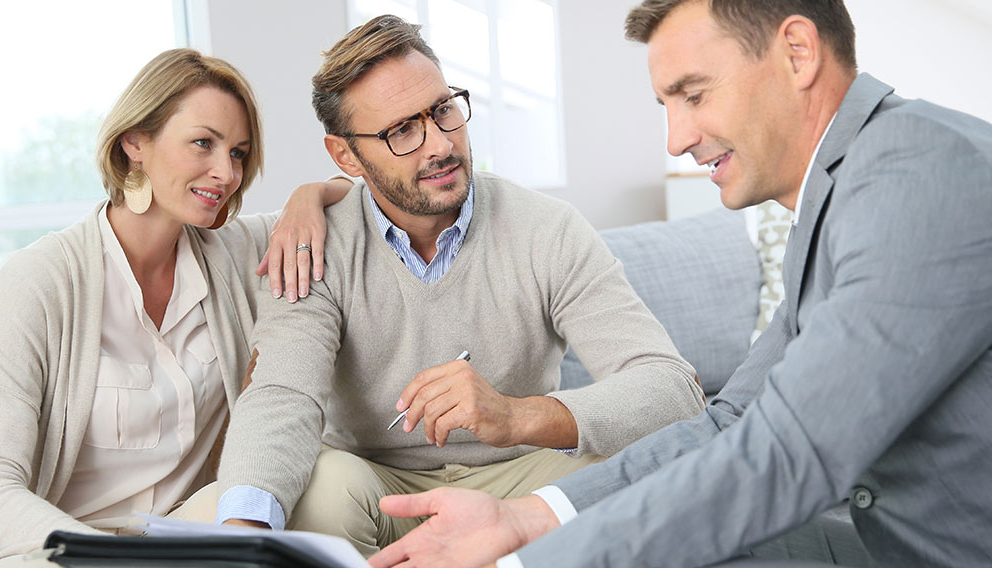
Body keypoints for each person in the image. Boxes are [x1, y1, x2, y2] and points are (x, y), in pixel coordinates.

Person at [368, 0, 992, 566]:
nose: (675, 138)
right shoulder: (841, 194)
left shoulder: (922, 176)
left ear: (797, 53)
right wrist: (525, 520)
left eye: (692, 95)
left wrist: (526, 567)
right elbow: (734, 420)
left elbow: (793, 451)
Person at [214, 14, 706, 556]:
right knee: (320, 489)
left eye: (444, 110)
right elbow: (284, 395)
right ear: (345, 156)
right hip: (379, 489)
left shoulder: (547, 228)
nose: (440, 145)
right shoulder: (314, 245)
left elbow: (671, 387)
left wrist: (519, 415)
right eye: (401, 130)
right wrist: (243, 539)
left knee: (632, 468)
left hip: (520, 478)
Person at [0, 48, 349, 567]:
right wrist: (102, 557)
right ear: (135, 141)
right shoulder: (41, 278)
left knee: (324, 485)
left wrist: (306, 197)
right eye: (203, 143)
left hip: (180, 542)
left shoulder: (234, 251)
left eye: (238, 153)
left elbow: (353, 197)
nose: (225, 173)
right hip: (56, 552)